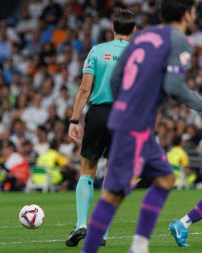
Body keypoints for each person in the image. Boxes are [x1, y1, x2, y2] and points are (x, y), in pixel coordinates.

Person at [81, 1, 198, 252]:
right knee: (113, 194)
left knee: (166, 177)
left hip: (128, 120)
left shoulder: (144, 36)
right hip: (135, 126)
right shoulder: (178, 41)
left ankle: (139, 246)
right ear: (188, 13)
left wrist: (125, 105)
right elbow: (175, 86)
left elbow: (115, 78)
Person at [66, 9, 136, 247]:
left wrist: (74, 120)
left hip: (99, 113)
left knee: (87, 169)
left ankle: (80, 224)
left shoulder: (98, 51)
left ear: (113, 29)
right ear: (134, 30)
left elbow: (85, 89)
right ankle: (102, 232)